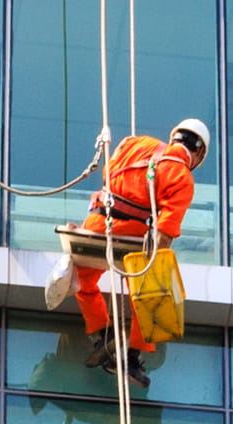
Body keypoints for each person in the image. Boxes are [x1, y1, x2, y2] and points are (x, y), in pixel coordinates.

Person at [75, 119, 208, 388]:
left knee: (84, 282)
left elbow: (107, 175)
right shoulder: (181, 176)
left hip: (97, 225)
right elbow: (166, 230)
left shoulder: (136, 144)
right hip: (131, 237)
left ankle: (103, 335)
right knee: (149, 302)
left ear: (175, 137)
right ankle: (130, 359)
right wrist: (153, 268)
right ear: (199, 153)